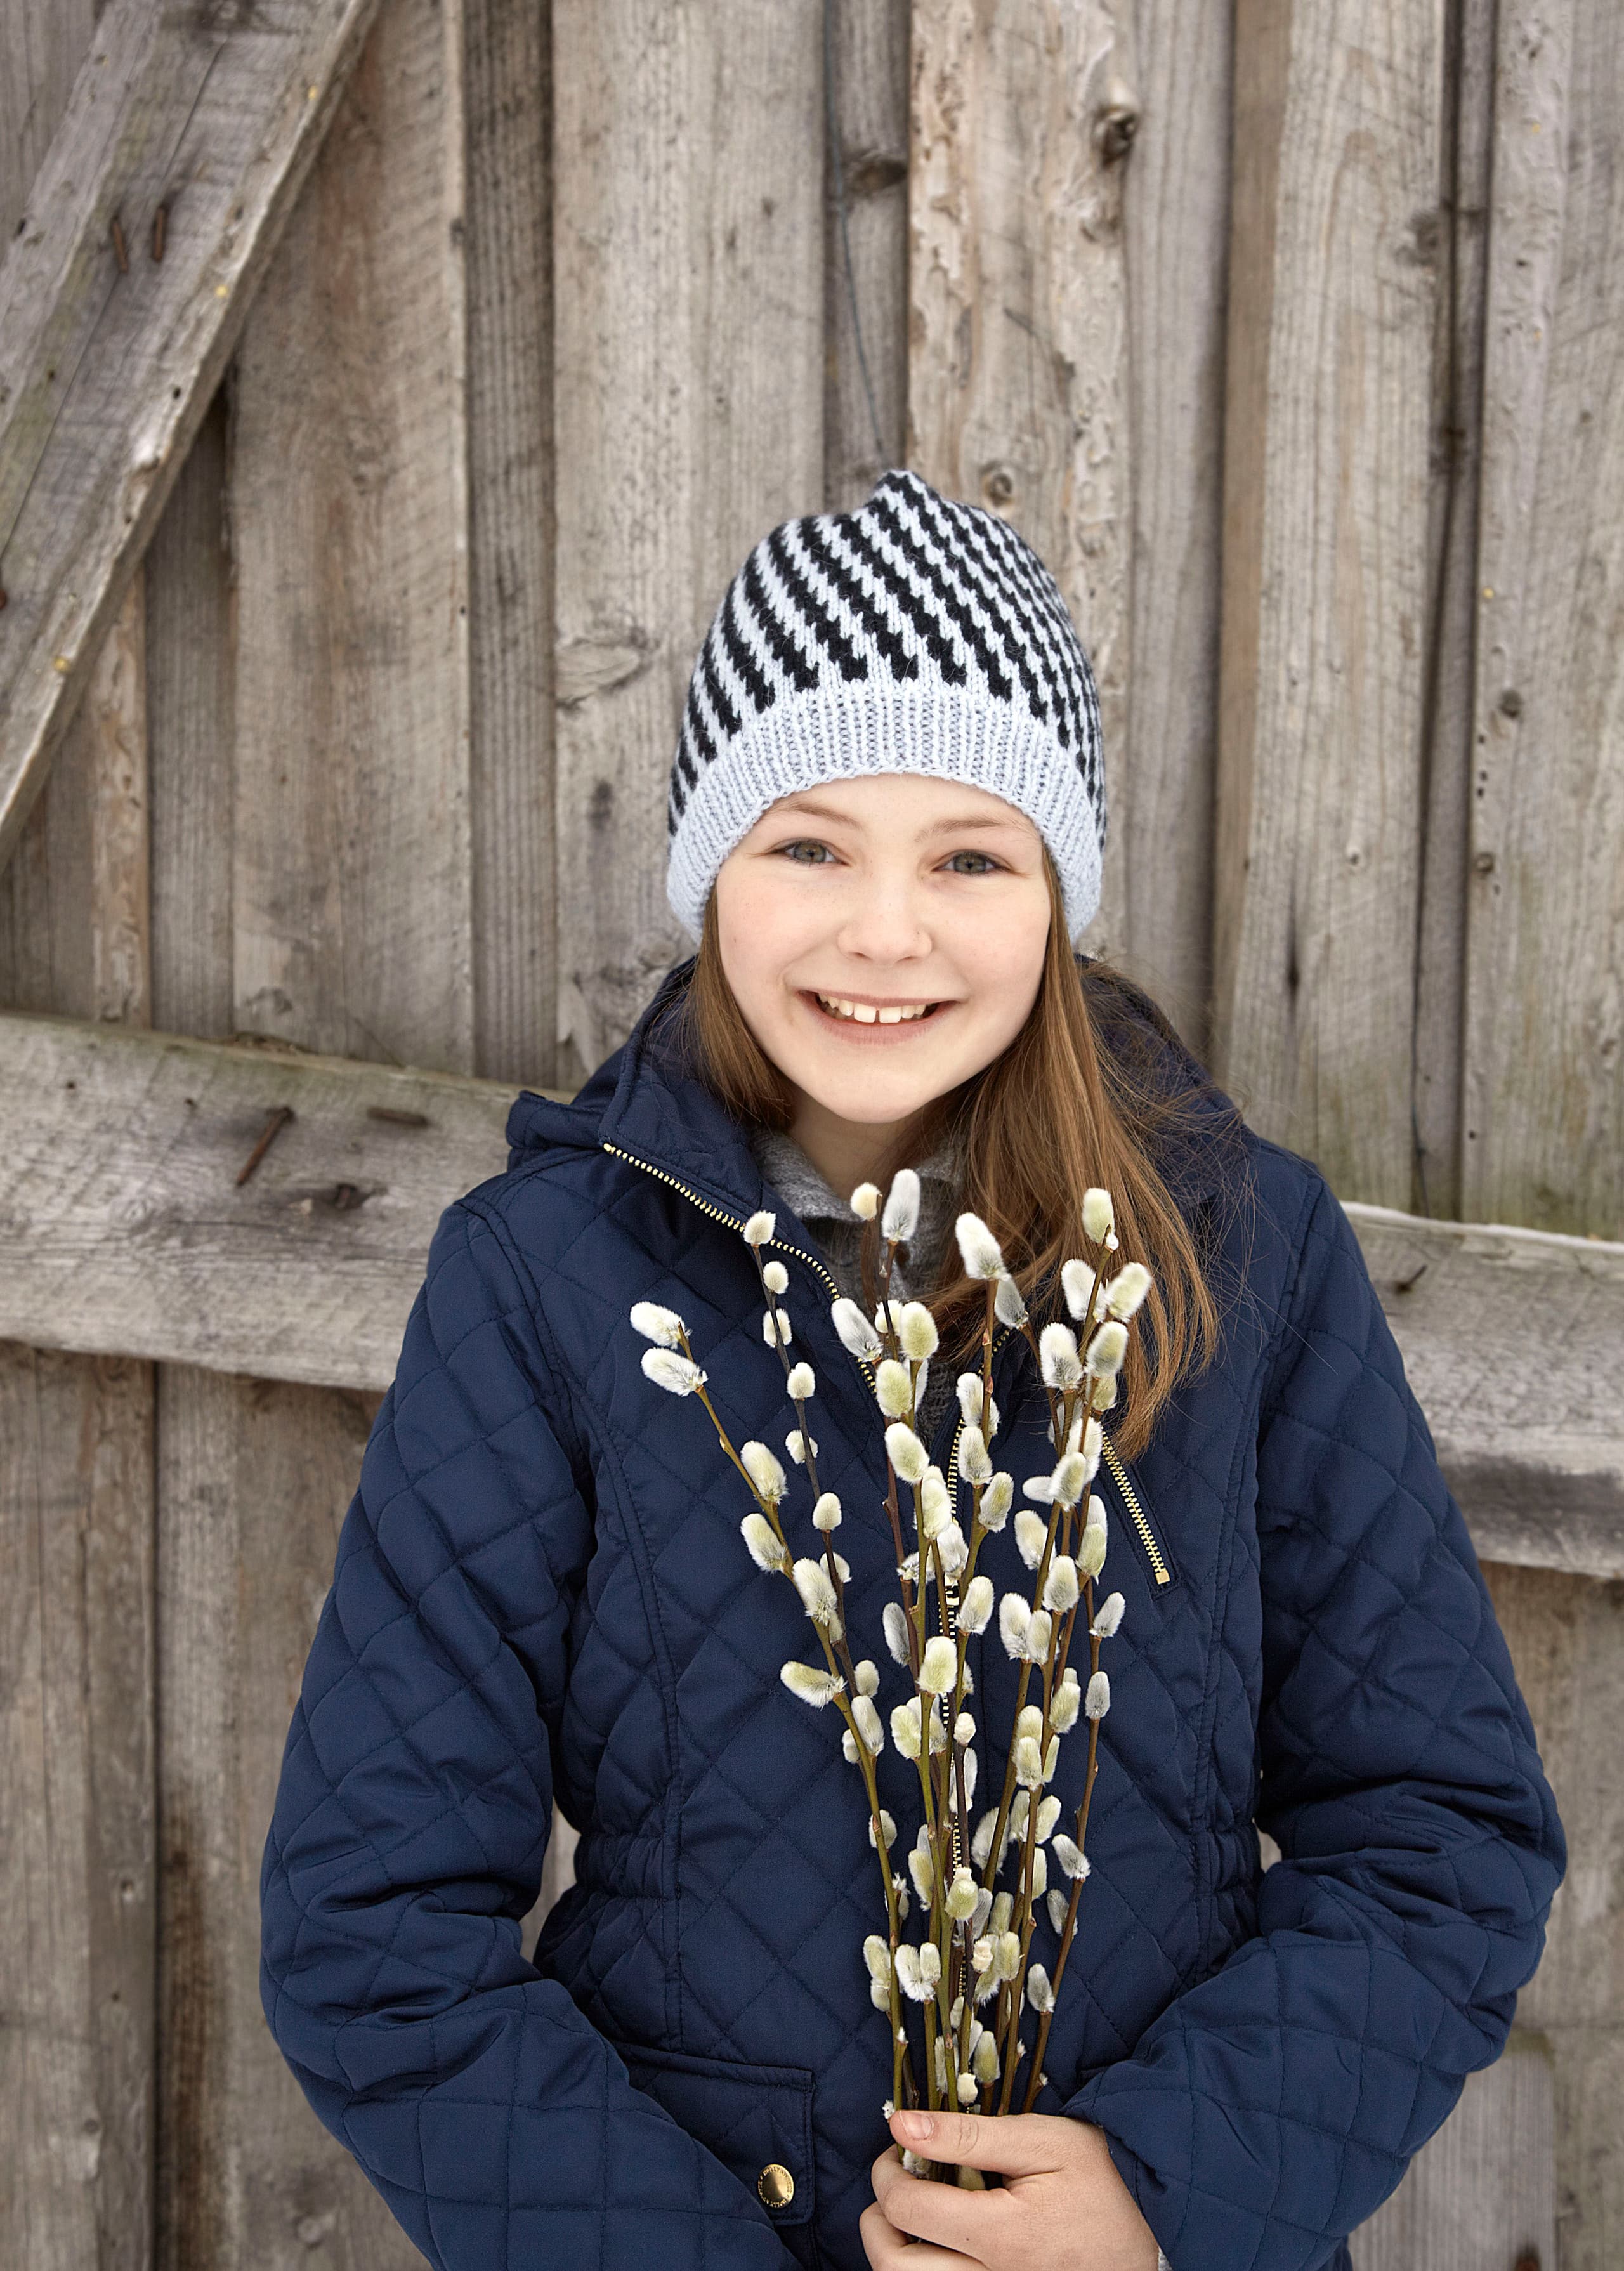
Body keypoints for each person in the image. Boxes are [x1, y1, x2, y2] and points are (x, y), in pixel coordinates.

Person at [260, 469, 1564, 2271]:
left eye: (969, 856)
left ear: (1055, 893)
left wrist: (1164, 2195)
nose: (885, 932)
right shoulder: (547, 1283)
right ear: (713, 869)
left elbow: (1440, 1834)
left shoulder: (1236, 1253)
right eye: (809, 845)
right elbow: (374, 1930)